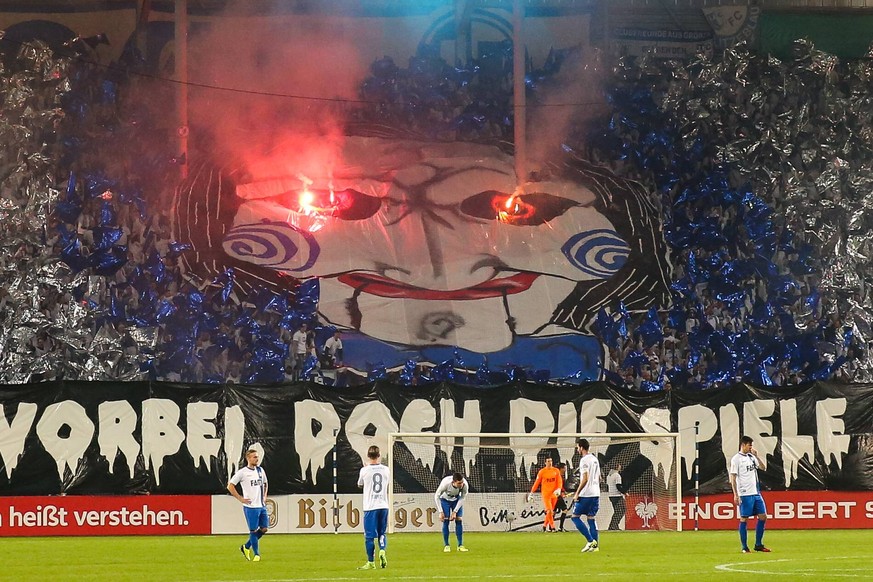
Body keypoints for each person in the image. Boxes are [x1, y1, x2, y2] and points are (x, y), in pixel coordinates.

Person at [729, 435, 771, 553]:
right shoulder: (736, 459)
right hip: (745, 494)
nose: (751, 447)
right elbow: (733, 477)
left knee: (763, 516)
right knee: (744, 518)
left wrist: (757, 456)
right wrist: (735, 494)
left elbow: (763, 467)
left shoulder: (752, 457)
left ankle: (758, 544)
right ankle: (744, 547)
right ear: (743, 445)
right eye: (749, 445)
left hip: (756, 493)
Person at [227, 448, 268, 562]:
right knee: (253, 531)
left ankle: (245, 547)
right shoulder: (242, 472)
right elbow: (230, 486)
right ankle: (257, 554)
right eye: (254, 457)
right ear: (248, 458)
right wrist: (240, 498)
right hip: (251, 507)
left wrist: (264, 496)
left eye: (257, 457)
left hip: (261, 505)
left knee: (264, 529)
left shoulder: (260, 470)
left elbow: (265, 483)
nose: (257, 459)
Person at [357, 445, 390, 570]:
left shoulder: (364, 470)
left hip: (370, 507)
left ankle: (371, 562)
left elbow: (360, 484)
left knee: (369, 536)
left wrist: (366, 469)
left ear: (368, 456)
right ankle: (382, 550)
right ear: (379, 455)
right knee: (382, 533)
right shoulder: (386, 470)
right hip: (384, 506)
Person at [571, 438, 601, 553]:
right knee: (591, 518)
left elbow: (585, 478)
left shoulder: (584, 460)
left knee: (575, 517)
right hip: (596, 493)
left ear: (581, 447)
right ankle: (595, 546)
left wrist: (577, 493)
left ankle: (590, 540)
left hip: (586, 494)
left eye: (578, 447)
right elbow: (599, 477)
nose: (577, 449)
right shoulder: (595, 459)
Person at [435, 472, 470, 552]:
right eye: (459, 483)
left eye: (462, 482)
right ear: (453, 482)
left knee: (459, 520)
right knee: (446, 521)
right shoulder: (445, 483)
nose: (461, 484)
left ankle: (460, 545)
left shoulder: (465, 485)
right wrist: (440, 512)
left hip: (456, 500)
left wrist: (455, 511)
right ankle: (447, 545)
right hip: (445, 500)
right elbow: (437, 496)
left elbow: (462, 498)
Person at [527, 457, 563, 532]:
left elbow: (559, 481)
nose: (550, 462)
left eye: (551, 461)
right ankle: (553, 527)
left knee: (551, 511)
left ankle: (544, 525)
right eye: (548, 461)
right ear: (545, 463)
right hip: (546, 494)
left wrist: (559, 489)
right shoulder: (542, 472)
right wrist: (531, 493)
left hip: (554, 494)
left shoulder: (556, 471)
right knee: (549, 510)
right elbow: (536, 483)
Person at [606, 464, 626, 531]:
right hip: (617, 495)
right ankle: (613, 526)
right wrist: (624, 492)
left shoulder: (609, 476)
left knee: (617, 511)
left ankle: (613, 526)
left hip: (611, 495)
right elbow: (618, 486)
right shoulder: (617, 475)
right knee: (622, 510)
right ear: (617, 467)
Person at [554, 462, 572, 532]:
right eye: (564, 468)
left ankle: (551, 527)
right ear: (561, 468)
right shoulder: (558, 476)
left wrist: (564, 491)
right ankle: (560, 527)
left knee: (554, 511)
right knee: (565, 510)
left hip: (555, 495)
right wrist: (562, 492)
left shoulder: (557, 475)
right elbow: (558, 486)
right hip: (557, 495)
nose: (565, 470)